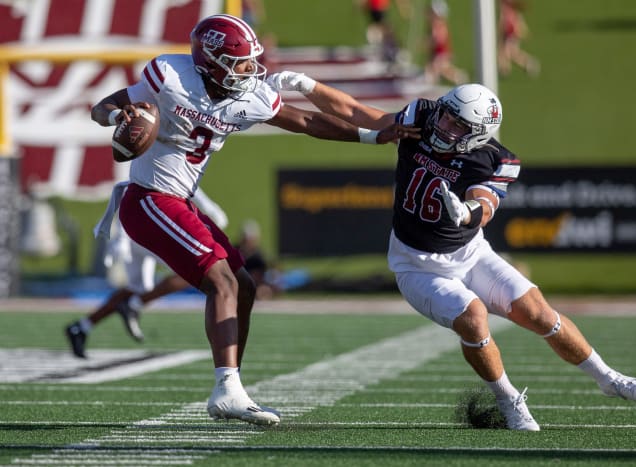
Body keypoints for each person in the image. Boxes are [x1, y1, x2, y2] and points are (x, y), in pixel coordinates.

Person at [265, 71, 636, 431]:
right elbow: (356, 112)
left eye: (458, 124)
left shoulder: (494, 159)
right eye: (447, 115)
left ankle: (607, 378)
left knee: (540, 314)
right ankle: (508, 401)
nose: (445, 125)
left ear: (479, 134)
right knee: (473, 317)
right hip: (417, 265)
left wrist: (469, 212)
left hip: (470, 254)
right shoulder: (422, 116)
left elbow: (484, 204)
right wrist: (307, 86)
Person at [90, 14, 416, 427]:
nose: (251, 70)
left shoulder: (250, 96)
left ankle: (232, 387)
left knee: (243, 285)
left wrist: (369, 136)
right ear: (211, 62)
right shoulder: (169, 76)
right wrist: (117, 118)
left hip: (180, 202)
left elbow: (307, 121)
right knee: (222, 282)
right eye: (241, 63)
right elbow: (105, 106)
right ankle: (225, 390)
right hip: (149, 199)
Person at [64, 188, 228, 359]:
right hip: (147, 230)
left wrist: (122, 237)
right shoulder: (163, 168)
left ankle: (81, 327)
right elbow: (133, 188)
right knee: (193, 271)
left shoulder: (167, 169)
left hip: (138, 228)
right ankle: (133, 305)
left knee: (138, 287)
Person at [424, 0, 468, 85]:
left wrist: (429, 42)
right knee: (441, 70)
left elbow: (439, 39)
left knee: (437, 69)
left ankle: (459, 77)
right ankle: (458, 77)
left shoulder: (439, 25)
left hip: (441, 52)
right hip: (437, 52)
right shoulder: (436, 24)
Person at [498, 0, 540, 77]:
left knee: (510, 52)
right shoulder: (507, 8)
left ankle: (528, 63)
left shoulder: (508, 8)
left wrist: (521, 29)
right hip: (508, 30)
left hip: (510, 31)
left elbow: (514, 17)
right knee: (506, 51)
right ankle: (504, 69)